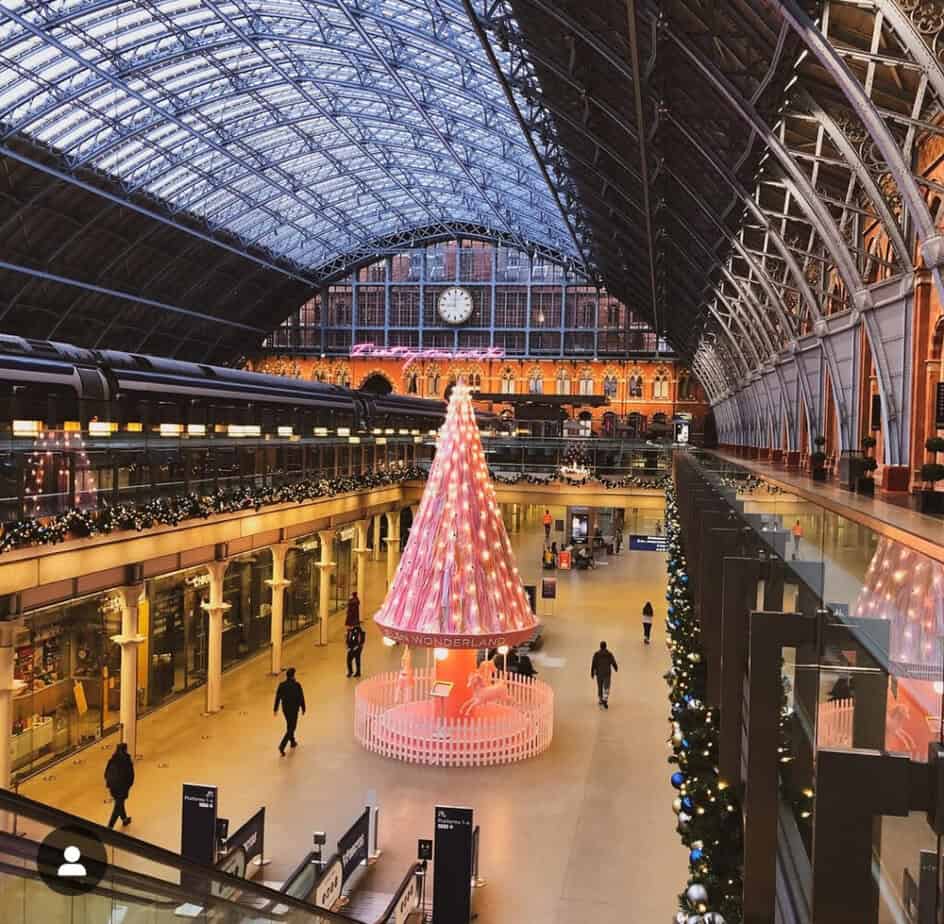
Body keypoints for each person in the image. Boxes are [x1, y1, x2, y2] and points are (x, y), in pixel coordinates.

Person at [273, 667, 306, 756]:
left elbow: (278, 697)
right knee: (292, 727)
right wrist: (303, 708)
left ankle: (293, 742)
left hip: (286, 710)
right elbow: (301, 697)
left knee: (289, 725)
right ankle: (282, 745)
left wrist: (275, 709)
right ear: (293, 676)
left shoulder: (282, 685)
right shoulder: (297, 685)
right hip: (294, 709)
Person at [104, 742, 134, 828]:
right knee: (118, 806)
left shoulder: (112, 759)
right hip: (122, 787)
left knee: (120, 803)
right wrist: (129, 785)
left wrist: (109, 783)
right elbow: (130, 775)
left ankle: (124, 819)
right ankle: (110, 826)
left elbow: (106, 773)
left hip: (113, 787)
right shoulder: (126, 760)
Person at [590, 641, 618, 708]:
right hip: (607, 673)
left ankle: (600, 699)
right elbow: (613, 661)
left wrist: (592, 673)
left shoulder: (596, 654)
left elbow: (593, 664)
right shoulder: (609, 654)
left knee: (600, 686)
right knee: (606, 686)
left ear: (600, 646)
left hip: (599, 673)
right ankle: (605, 698)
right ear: (606, 646)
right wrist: (615, 667)